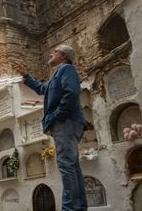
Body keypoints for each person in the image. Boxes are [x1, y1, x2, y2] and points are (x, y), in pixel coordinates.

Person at [13, 44, 88, 211]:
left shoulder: (67, 69)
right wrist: (26, 75)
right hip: (65, 122)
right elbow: (43, 89)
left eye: (54, 51)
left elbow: (71, 93)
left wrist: (57, 116)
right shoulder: (57, 75)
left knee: (66, 164)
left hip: (66, 122)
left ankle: (70, 208)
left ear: (63, 55)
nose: (50, 53)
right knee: (71, 165)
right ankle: (79, 207)